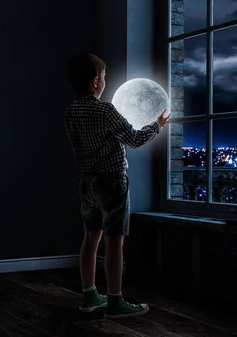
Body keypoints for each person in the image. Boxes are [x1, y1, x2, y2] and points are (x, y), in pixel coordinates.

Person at [64, 53, 170, 318]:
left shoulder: (71, 111)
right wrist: (156, 125)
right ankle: (115, 301)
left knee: (90, 239)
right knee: (114, 243)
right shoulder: (105, 110)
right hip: (112, 181)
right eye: (105, 78)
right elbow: (133, 139)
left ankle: (89, 295)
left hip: (86, 181)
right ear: (96, 80)